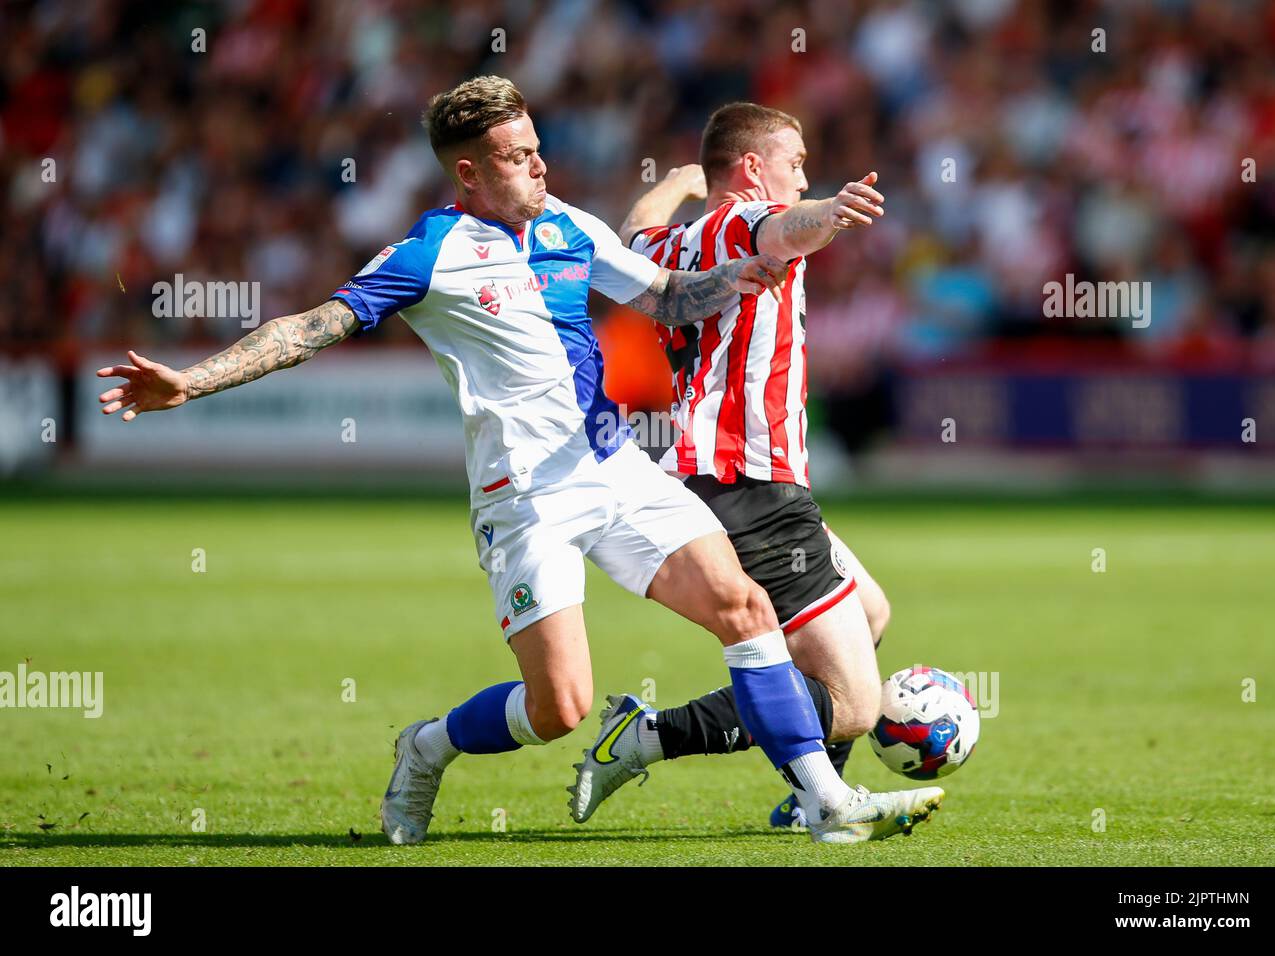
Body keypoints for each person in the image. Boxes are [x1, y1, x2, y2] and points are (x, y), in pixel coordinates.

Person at [97, 77, 940, 845]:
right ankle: (428, 745)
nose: (539, 165)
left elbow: (664, 294)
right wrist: (189, 382)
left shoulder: (570, 224)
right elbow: (313, 325)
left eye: (537, 147)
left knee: (745, 606)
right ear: (468, 173)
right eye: (516, 156)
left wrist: (746, 272)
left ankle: (824, 797)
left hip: (615, 465)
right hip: (526, 496)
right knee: (560, 706)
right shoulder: (431, 254)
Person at [570, 102, 919, 833]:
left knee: (873, 609)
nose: (803, 174)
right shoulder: (739, 221)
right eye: (795, 162)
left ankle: (804, 797)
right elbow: (781, 226)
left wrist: (674, 181)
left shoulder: (674, 241)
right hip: (749, 481)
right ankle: (649, 739)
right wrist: (831, 210)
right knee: (854, 703)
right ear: (754, 170)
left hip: (725, 473)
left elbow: (635, 231)